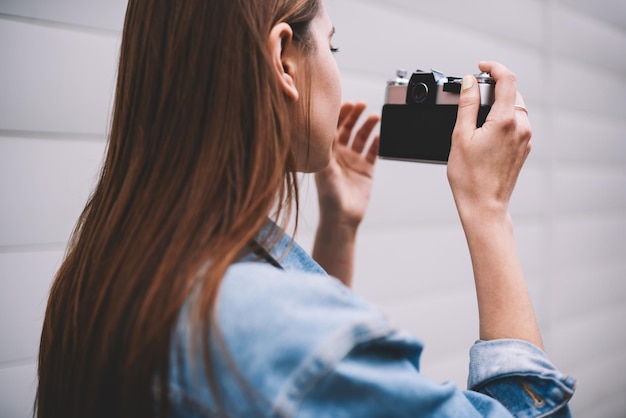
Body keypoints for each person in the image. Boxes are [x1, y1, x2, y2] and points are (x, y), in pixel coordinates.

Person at [35, 0, 576, 417]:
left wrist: (338, 230)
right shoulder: (262, 325)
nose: (339, 75)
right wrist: (488, 211)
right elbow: (293, 359)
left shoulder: (101, 275)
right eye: (332, 48)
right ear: (284, 61)